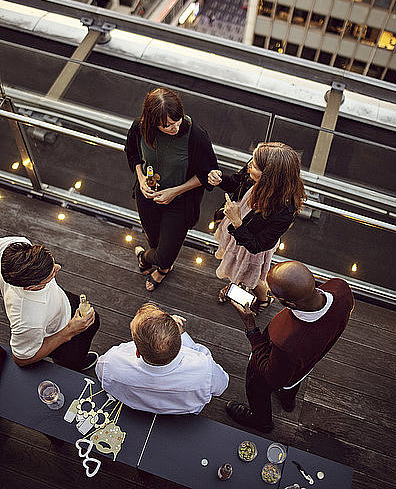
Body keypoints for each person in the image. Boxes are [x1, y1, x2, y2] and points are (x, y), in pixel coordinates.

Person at [226, 261, 354, 432]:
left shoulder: (288, 342)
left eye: (271, 295)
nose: (269, 294)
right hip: (308, 361)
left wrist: (251, 329)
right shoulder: (341, 288)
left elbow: (272, 377)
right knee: (294, 378)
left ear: (291, 304)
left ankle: (260, 421)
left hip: (270, 364)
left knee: (257, 389)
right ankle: (287, 399)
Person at [125, 87, 217, 291]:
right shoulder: (140, 127)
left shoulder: (196, 136)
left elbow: (207, 174)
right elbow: (132, 153)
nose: (175, 128)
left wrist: (174, 191)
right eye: (166, 126)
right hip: (148, 196)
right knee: (153, 238)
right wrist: (140, 179)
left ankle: (154, 263)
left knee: (165, 254)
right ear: (151, 121)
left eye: (177, 121)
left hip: (181, 201)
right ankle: (156, 261)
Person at [208, 142, 305, 313]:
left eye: (253, 166)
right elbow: (235, 183)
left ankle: (263, 299)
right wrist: (219, 179)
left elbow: (257, 245)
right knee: (237, 268)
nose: (249, 167)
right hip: (238, 229)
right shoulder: (258, 166)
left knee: (254, 276)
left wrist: (237, 222)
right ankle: (235, 285)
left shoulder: (284, 210)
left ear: (268, 176)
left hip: (249, 244)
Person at [96, 303, 229, 414]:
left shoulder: (111, 362)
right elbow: (221, 386)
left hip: (130, 408)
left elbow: (100, 373)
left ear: (137, 352)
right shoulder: (205, 369)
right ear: (179, 346)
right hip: (183, 416)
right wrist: (182, 336)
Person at [0, 237, 100, 371]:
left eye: (52, 262)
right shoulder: (27, 320)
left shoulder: (14, 246)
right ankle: (76, 365)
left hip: (63, 301)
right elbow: (21, 359)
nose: (58, 267)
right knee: (71, 362)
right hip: (59, 334)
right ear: (30, 287)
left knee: (94, 323)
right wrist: (70, 330)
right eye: (52, 274)